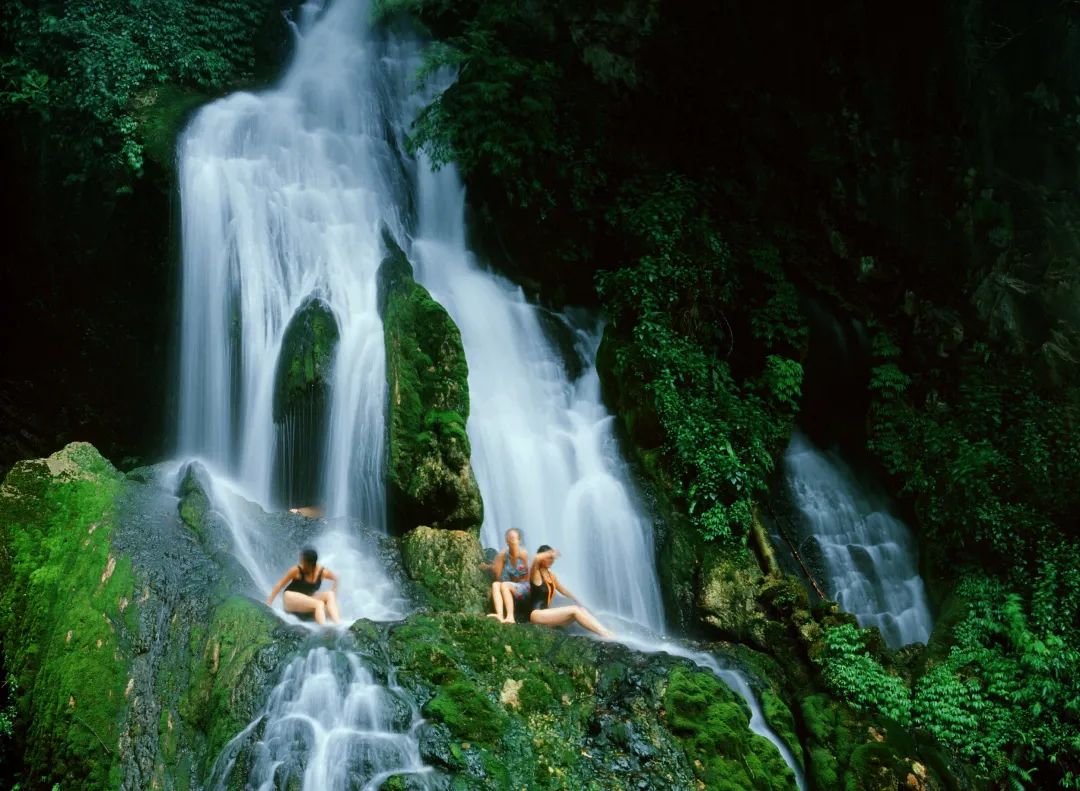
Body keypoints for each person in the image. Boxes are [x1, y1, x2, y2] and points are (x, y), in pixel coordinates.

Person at [522, 545, 612, 637]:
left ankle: (605, 631)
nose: (552, 560)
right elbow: (536, 558)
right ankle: (605, 634)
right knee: (574, 610)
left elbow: (563, 590)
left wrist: (577, 601)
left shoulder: (551, 575)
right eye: (549, 558)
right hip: (536, 615)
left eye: (553, 558)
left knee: (580, 609)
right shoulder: (535, 574)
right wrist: (550, 552)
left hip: (546, 615)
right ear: (542, 558)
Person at [266, 546, 341, 625]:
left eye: (303, 561)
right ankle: (323, 629)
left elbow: (335, 579)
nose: (301, 563)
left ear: (311, 563)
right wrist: (269, 602)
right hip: (291, 600)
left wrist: (333, 598)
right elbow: (280, 584)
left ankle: (338, 624)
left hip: (306, 603)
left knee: (330, 594)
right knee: (319, 604)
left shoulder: (322, 572)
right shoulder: (297, 570)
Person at [486, 528, 529, 624]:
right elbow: (498, 576)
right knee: (496, 584)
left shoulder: (523, 554)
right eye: (509, 538)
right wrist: (494, 568)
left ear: (519, 540)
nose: (511, 541)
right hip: (509, 585)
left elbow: (528, 575)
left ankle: (510, 617)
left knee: (505, 585)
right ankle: (500, 615)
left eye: (514, 538)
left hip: (523, 587)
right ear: (506, 541)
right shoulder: (503, 555)